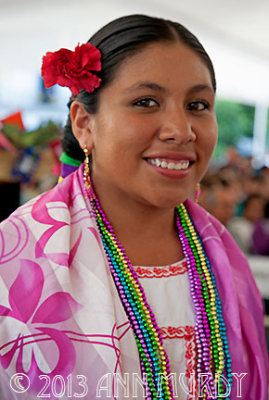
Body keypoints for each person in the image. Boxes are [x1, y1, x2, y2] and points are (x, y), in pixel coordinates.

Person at [0, 14, 268, 400]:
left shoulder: (225, 259)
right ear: (83, 123)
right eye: (146, 102)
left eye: (197, 104)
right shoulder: (17, 261)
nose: (181, 129)